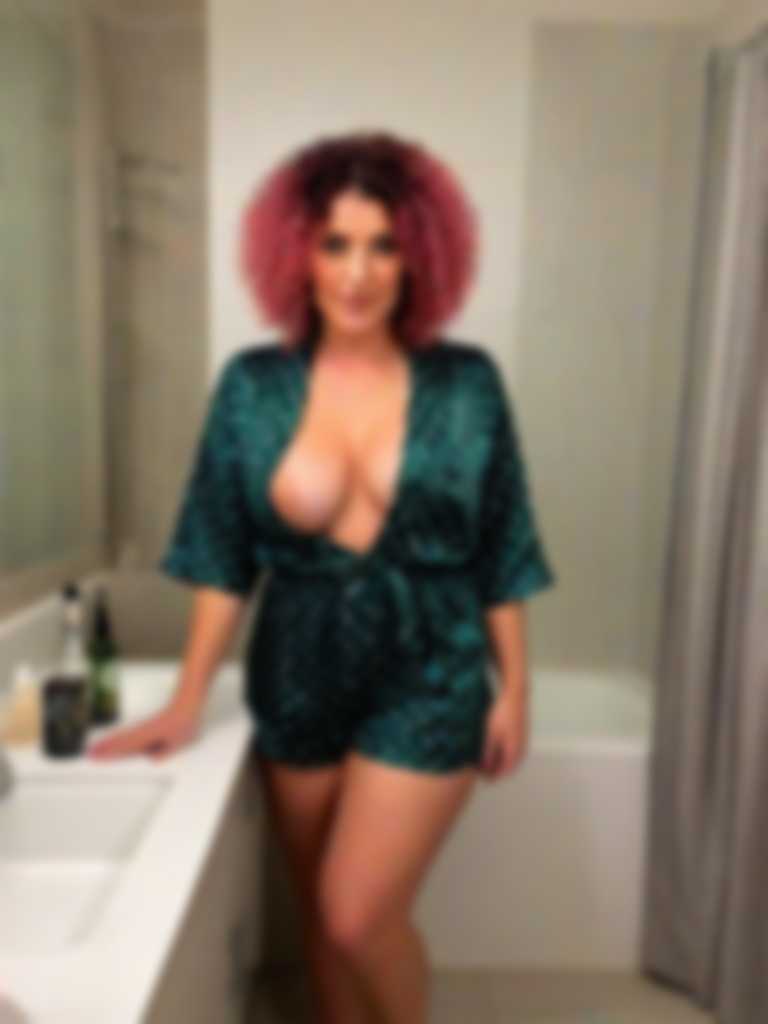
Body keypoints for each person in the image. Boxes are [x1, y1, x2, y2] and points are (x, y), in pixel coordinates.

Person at [88, 129, 557, 1024]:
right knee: (318, 918)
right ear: (296, 253)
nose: (358, 273)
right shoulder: (252, 387)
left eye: (385, 246)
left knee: (357, 913)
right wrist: (187, 700)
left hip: (431, 668)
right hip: (297, 669)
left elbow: (504, 545)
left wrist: (518, 689)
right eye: (335, 244)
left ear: (422, 257)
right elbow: (222, 555)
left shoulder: (468, 384)